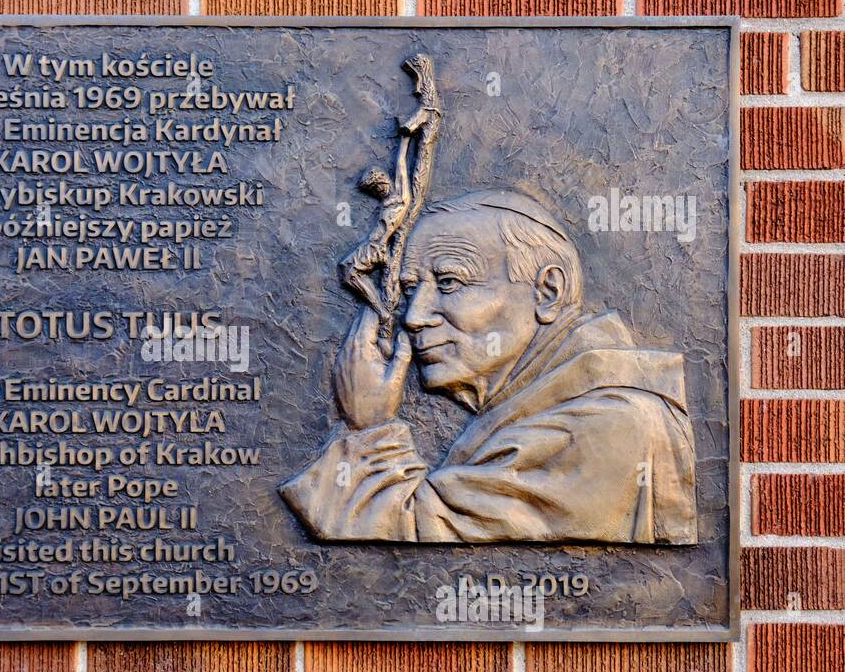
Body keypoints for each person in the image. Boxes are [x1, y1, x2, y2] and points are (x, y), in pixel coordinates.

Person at [280, 190, 698, 544]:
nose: (415, 316)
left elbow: (414, 537)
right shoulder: (540, 410)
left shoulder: (609, 425)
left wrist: (370, 430)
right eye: (410, 290)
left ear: (548, 293)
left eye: (449, 283)